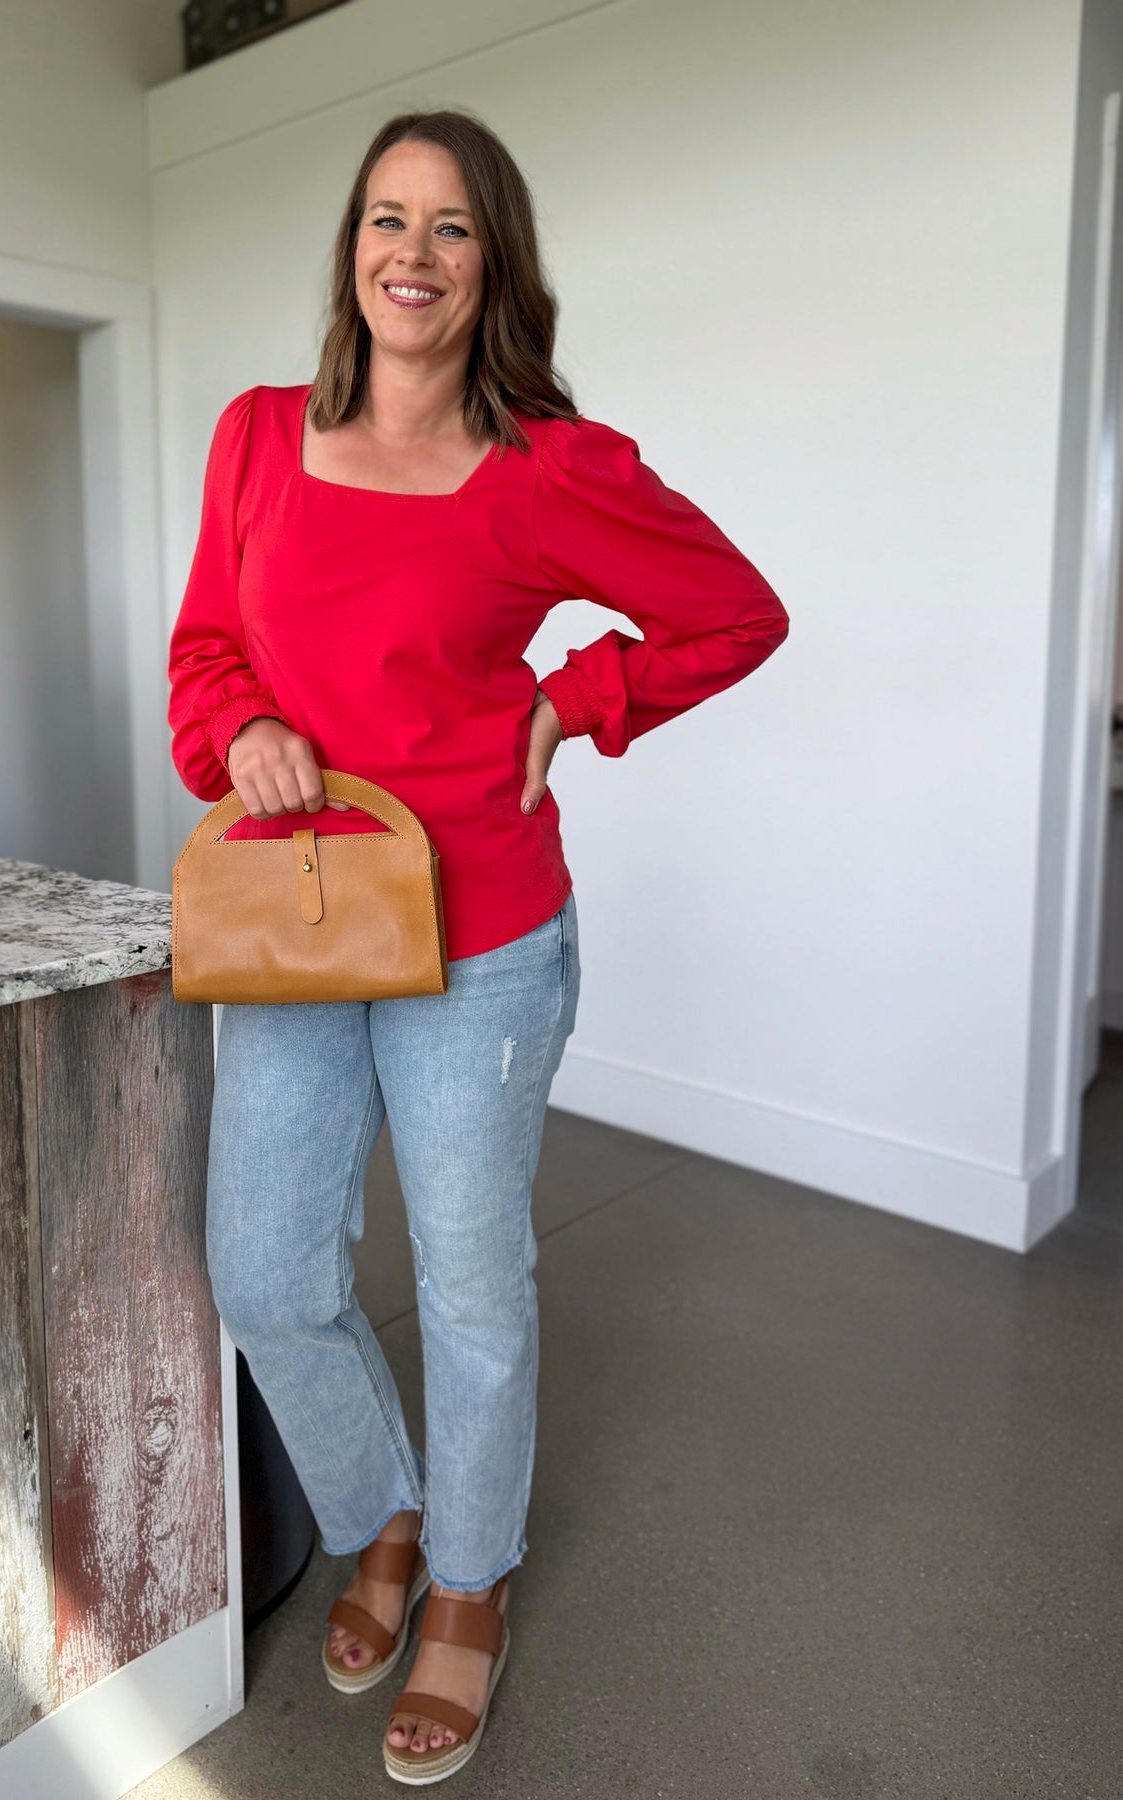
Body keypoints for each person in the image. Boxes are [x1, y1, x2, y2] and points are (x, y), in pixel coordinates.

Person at [166, 107, 789, 1784]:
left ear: (492, 264)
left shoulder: (546, 471)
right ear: (351, 247)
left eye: (451, 227)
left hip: (486, 932)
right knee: (267, 1271)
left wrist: (578, 698)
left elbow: (735, 611)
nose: (413, 254)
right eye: (388, 218)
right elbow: (206, 648)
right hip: (300, 921)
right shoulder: (256, 438)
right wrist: (240, 732)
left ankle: (466, 1579)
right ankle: (383, 1511)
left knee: (466, 1281)